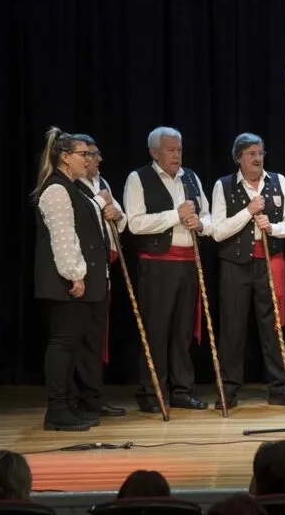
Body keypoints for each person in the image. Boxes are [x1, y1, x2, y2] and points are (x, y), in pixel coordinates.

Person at [123, 126, 212, 412]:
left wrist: (201, 223)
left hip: (188, 262)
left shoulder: (191, 177)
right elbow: (135, 223)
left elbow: (207, 215)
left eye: (179, 150)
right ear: (154, 152)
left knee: (182, 331)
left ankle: (182, 390)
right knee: (157, 330)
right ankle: (152, 393)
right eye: (171, 150)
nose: (177, 155)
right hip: (158, 263)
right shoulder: (138, 178)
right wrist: (176, 215)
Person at [211, 133, 285, 409]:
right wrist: (248, 211)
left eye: (260, 153)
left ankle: (279, 388)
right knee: (233, 327)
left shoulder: (278, 181)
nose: (257, 158)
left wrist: (273, 228)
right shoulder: (223, 185)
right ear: (238, 157)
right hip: (235, 265)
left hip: (270, 261)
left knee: (273, 327)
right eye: (251, 154)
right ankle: (228, 389)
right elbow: (217, 231)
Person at [33, 127, 110, 431]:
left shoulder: (75, 188)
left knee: (72, 345)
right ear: (65, 157)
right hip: (65, 282)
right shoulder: (56, 189)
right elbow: (63, 237)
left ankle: (69, 405)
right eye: (83, 154)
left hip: (78, 280)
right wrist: (75, 275)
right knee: (63, 344)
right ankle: (56, 409)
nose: (88, 159)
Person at [71, 134, 127, 418]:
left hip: (103, 267)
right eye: (92, 154)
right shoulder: (72, 186)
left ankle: (93, 397)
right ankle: (76, 398)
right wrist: (100, 202)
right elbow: (79, 221)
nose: (98, 159)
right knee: (78, 338)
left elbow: (121, 221)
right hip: (82, 269)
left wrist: (116, 213)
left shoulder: (102, 183)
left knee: (96, 337)